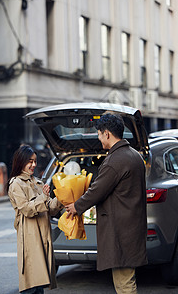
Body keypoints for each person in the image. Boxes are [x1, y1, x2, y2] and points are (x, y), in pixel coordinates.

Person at [65, 113, 147, 294]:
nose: (98, 137)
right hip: (131, 227)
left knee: (124, 283)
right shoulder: (134, 156)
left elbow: (97, 191)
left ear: (107, 134)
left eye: (99, 133)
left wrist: (76, 207)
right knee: (127, 277)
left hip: (120, 231)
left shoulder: (114, 161)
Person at [7, 144, 63, 294]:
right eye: (30, 161)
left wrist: (61, 198)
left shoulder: (37, 182)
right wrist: (44, 197)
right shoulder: (16, 184)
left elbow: (50, 209)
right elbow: (26, 208)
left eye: (35, 161)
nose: (33, 165)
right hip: (30, 237)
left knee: (40, 285)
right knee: (31, 284)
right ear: (21, 161)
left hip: (43, 236)